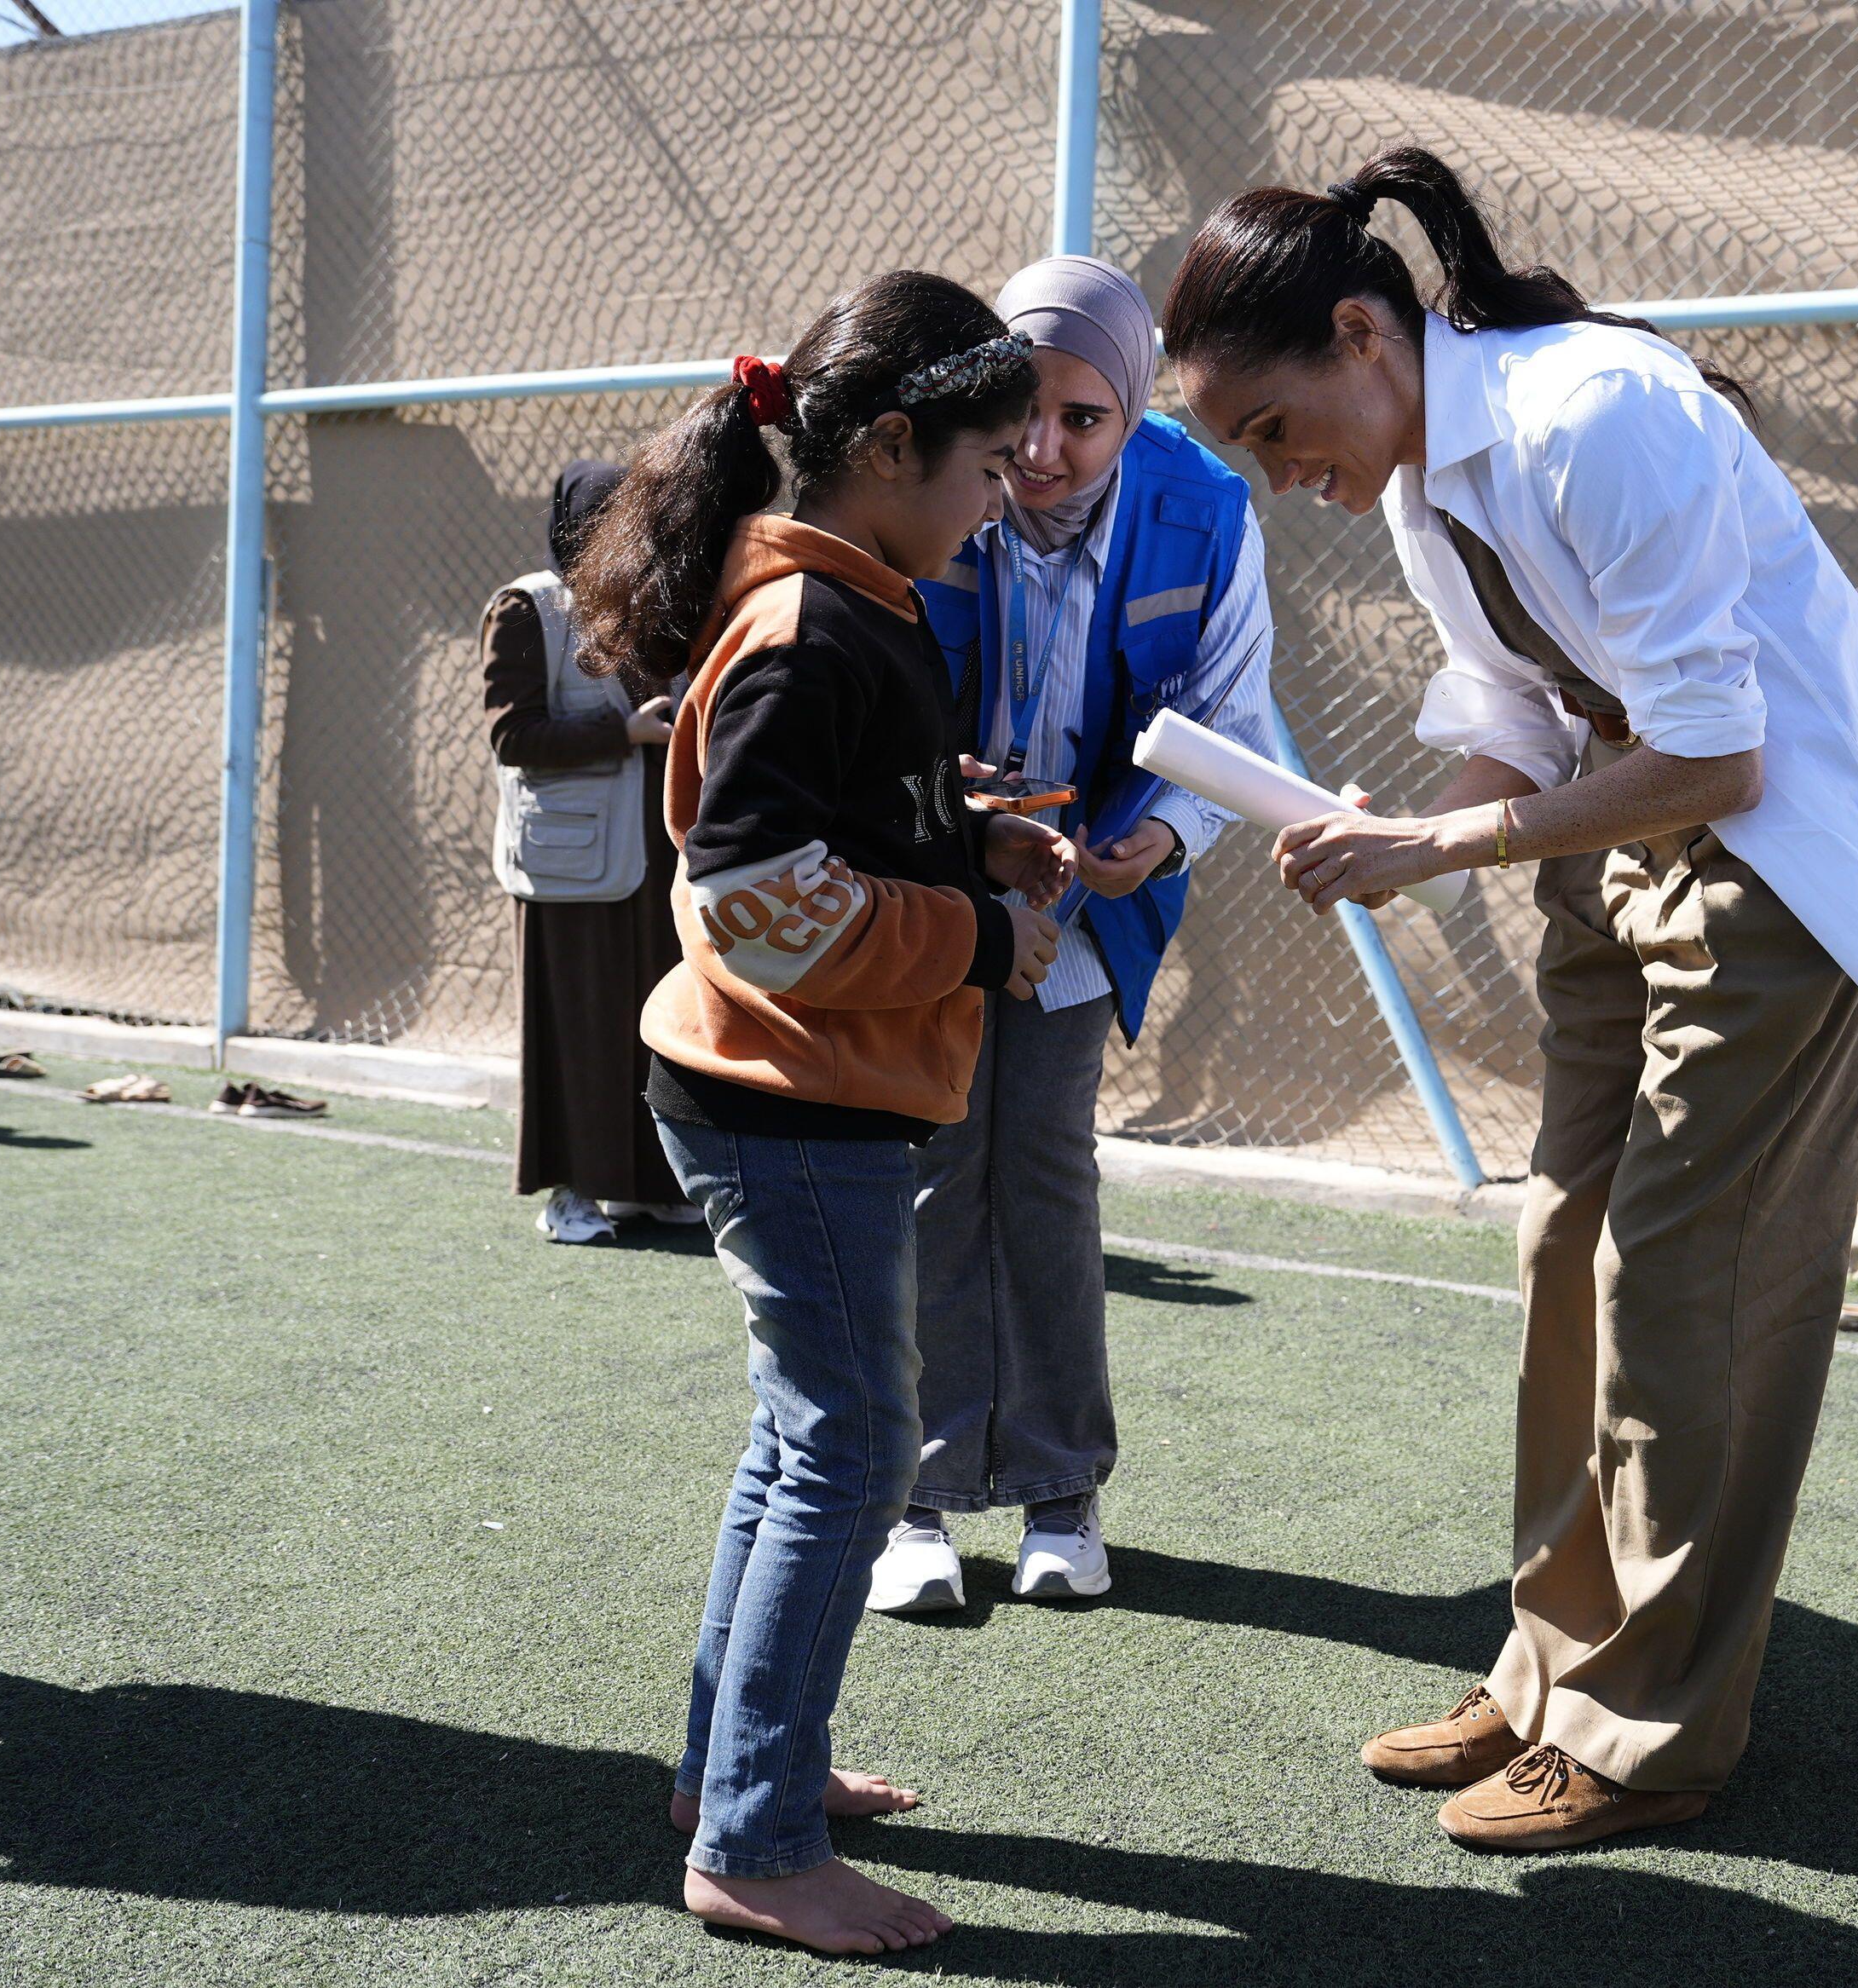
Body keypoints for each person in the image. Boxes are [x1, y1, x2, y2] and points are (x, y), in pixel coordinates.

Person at [1162, 146, 1858, 1852]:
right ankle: (1552, 1664)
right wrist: (1400, 825)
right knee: (1565, 1245)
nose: (1273, 472)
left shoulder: (1594, 407)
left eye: (1266, 426)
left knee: (1686, 1272)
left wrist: (1438, 841)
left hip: (1778, 862)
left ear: (1360, 333)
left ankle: (1653, 1724)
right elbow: (1517, 712)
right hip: (1621, 845)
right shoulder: (1413, 487)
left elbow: (1718, 746)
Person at [568, 270, 1075, 1957]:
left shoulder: (865, 602)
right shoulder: (809, 627)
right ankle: (754, 1836)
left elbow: (847, 835)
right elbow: (756, 902)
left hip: (808, 1096)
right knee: (856, 1444)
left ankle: (736, 1766)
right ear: (885, 443)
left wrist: (967, 838)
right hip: (783, 1105)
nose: (1010, 498)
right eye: (991, 464)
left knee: (812, 1430)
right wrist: (981, 933)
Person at [869, 255, 1281, 1614]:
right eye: (1020, 416)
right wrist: (957, 828)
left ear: (1136, 407)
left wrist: (1159, 833)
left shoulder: (1206, 507)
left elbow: (1231, 716)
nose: (1041, 452)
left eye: (1083, 419)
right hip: (935, 889)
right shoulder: (936, 476)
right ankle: (914, 1499)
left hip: (1091, 902)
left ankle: (1061, 1486)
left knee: (1044, 1170)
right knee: (930, 1165)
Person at [483, 460, 698, 1242]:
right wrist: (625, 732)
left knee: (648, 1022)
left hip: (653, 853)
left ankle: (645, 1185)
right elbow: (515, 736)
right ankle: (568, 1193)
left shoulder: (651, 605)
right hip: (570, 864)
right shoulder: (529, 608)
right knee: (573, 1027)